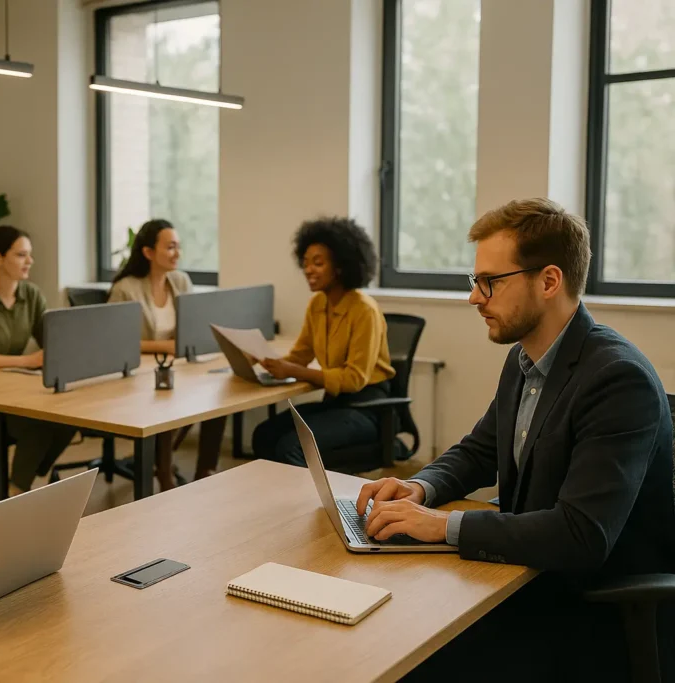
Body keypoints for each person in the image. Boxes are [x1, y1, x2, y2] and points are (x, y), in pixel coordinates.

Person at [356, 199, 675, 681]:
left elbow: (580, 536)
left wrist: (441, 526)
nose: (474, 298)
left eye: (490, 282)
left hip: (590, 609)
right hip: (526, 578)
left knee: (407, 658)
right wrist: (420, 489)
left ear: (549, 281)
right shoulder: (527, 357)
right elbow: (482, 449)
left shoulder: (616, 380)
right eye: (474, 281)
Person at [251, 217, 395, 467]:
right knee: (263, 435)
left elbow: (353, 379)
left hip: (368, 408)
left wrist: (294, 371)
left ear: (340, 266)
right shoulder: (318, 304)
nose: (308, 269)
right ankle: (280, 504)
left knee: (291, 446)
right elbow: (299, 356)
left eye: (318, 263)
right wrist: (261, 359)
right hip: (335, 404)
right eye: (305, 263)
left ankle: (307, 506)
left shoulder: (365, 311)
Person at [0, 225, 77, 496]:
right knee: (40, 421)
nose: (29, 261)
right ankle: (18, 490)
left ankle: (23, 479)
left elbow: (50, 340)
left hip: (13, 389)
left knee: (73, 414)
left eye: (29, 255)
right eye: (21, 255)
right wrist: (28, 361)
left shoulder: (31, 295)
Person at [108, 219, 226, 489]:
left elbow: (193, 325)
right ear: (148, 252)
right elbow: (116, 343)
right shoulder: (125, 288)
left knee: (221, 393)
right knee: (167, 398)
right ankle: (164, 474)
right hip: (138, 373)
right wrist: (165, 347)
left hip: (177, 366)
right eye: (170, 247)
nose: (177, 253)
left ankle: (206, 470)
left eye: (179, 247)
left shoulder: (180, 281)